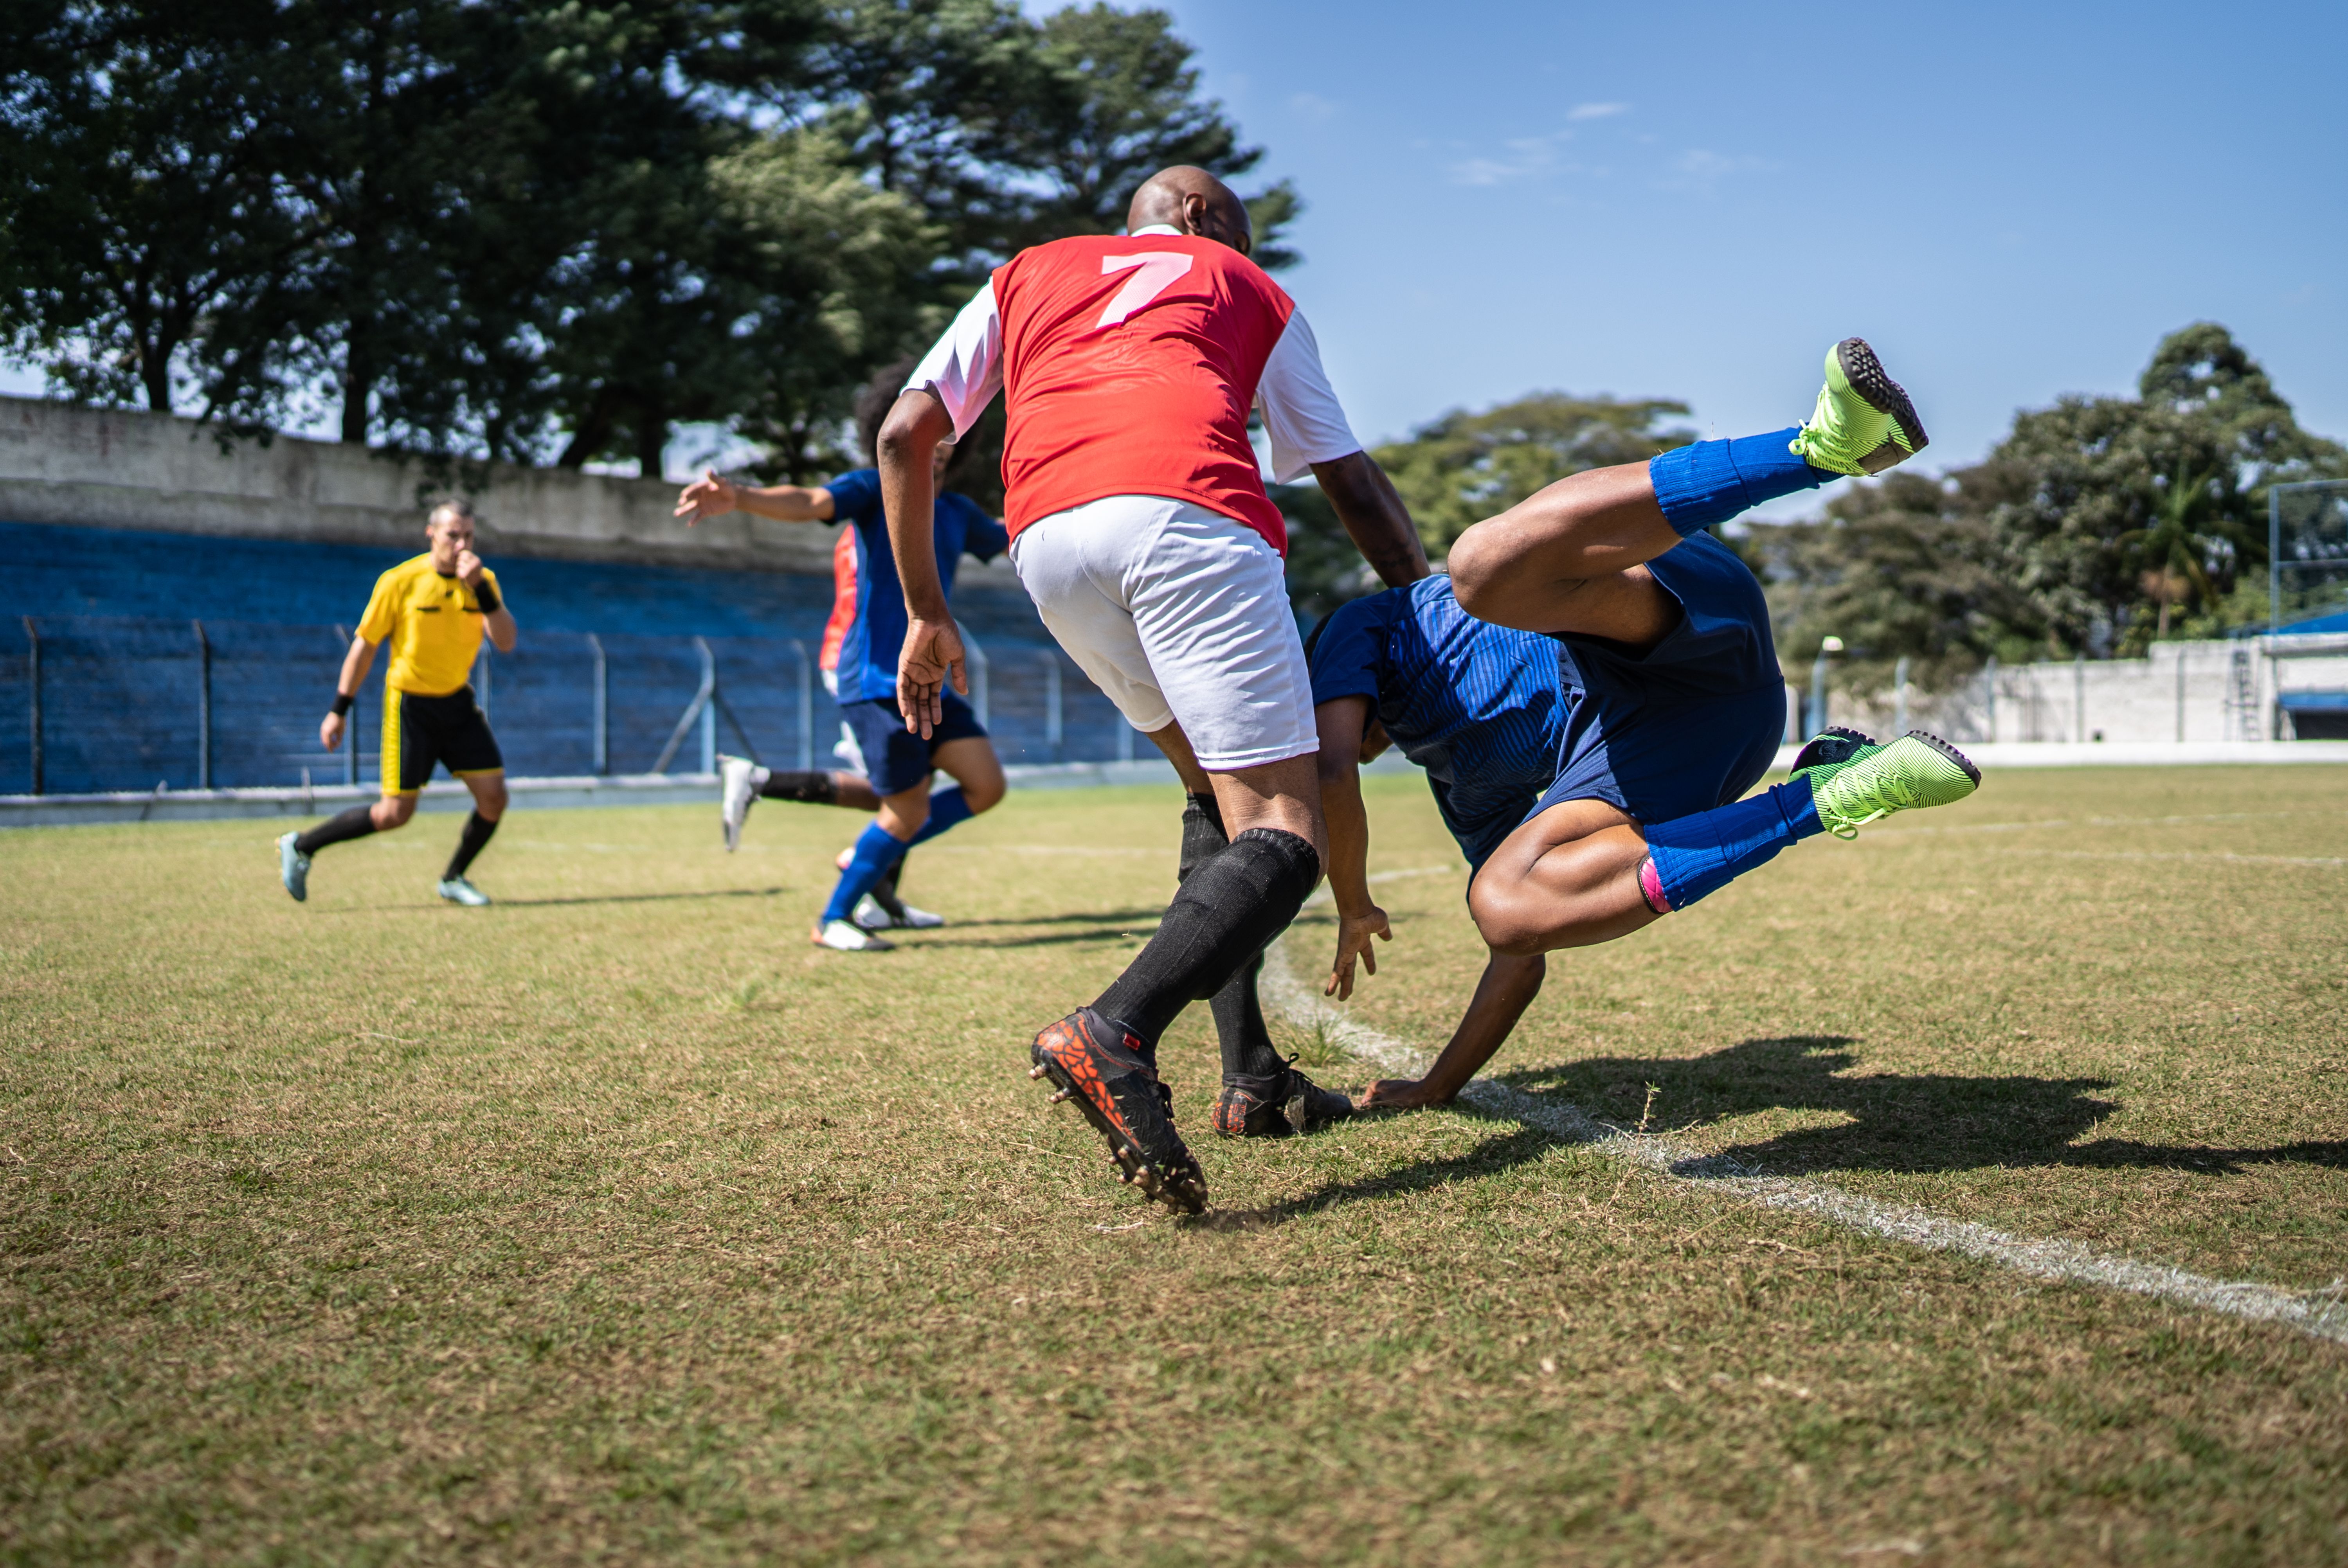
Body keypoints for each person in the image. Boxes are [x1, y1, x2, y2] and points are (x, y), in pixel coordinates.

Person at [877, 165, 1430, 1213]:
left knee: (1209, 796)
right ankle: (1112, 1031)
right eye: (1244, 234)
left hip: (1050, 543)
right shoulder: (1242, 284)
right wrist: (1433, 608)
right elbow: (1348, 478)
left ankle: (1252, 1082)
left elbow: (907, 434)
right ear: (1201, 218)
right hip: (1189, 521)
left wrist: (926, 609)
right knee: (1286, 830)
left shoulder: (1026, 274)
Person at [1316, 340, 1982, 1110]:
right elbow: (1523, 948)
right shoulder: (1462, 784)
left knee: (1479, 568)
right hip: (1708, 740)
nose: (1338, 746)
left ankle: (1821, 449)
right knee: (1505, 904)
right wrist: (1435, 1088)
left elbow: (1329, 770)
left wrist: (1354, 901)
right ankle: (1827, 793)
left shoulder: (1363, 630)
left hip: (1682, 624)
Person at [673, 363, 1010, 951]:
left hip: (931, 676)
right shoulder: (872, 491)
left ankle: (871, 851)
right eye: (926, 431)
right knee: (904, 807)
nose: (937, 445)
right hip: (878, 679)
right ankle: (834, 917)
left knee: (986, 787)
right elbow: (808, 500)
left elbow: (1011, 536)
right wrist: (741, 496)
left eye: (949, 434)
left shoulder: (958, 515)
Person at [276, 500, 517, 906]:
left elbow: (506, 642)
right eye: (452, 535)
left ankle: (453, 879)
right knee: (394, 815)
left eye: (469, 536)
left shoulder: (483, 581)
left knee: (494, 798)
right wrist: (339, 709)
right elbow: (365, 648)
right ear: (431, 534)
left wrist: (483, 591)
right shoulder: (400, 581)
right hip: (412, 708)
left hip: (458, 704)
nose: (461, 544)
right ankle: (301, 845)